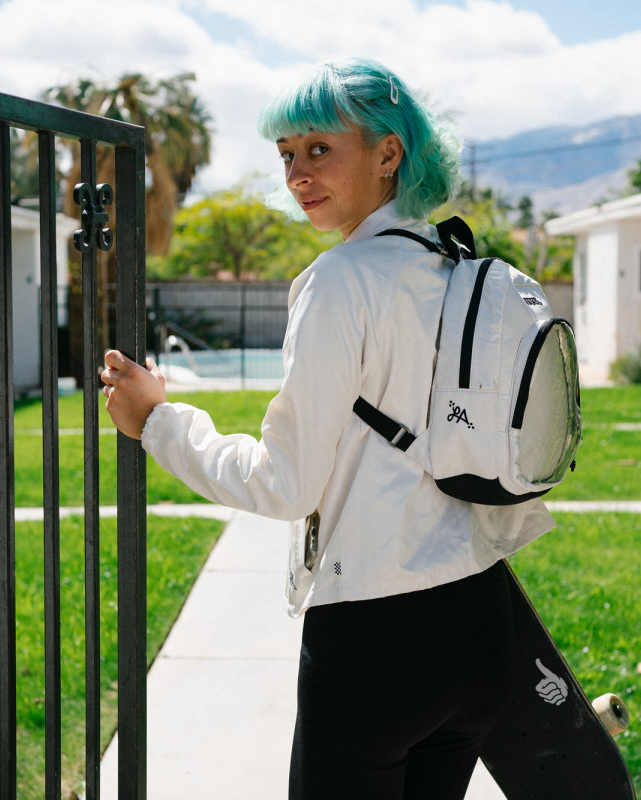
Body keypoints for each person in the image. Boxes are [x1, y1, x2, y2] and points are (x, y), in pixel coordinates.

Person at [100, 58, 554, 800]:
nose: (298, 174)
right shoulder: (459, 268)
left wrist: (159, 423)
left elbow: (283, 483)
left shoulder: (339, 281)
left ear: (388, 153)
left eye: (319, 149)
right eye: (286, 154)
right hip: (482, 621)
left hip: (376, 640)